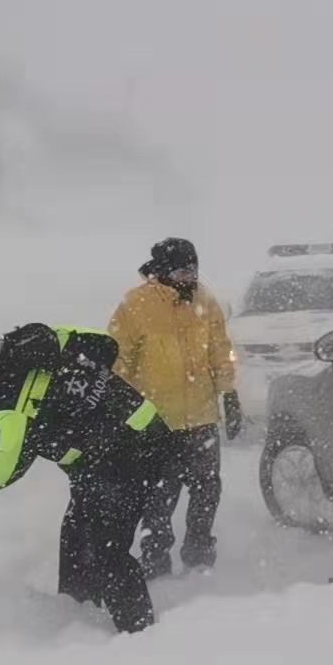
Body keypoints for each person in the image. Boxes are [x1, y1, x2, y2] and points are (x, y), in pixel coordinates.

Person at [0, 318, 171, 633]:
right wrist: (56, 344)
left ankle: (140, 635)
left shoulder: (5, 398)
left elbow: (4, 466)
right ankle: (79, 614)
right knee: (77, 534)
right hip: (137, 441)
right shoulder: (34, 341)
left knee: (107, 549)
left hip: (123, 460)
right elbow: (105, 345)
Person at [108, 237, 242, 578]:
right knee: (159, 495)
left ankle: (199, 554)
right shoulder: (135, 305)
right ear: (164, 271)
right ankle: (155, 559)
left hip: (201, 418)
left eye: (194, 270)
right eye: (183, 270)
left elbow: (220, 350)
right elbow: (118, 360)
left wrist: (229, 393)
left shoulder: (205, 301)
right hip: (157, 422)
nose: (190, 277)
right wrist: (118, 409)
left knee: (207, 488)